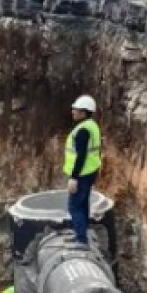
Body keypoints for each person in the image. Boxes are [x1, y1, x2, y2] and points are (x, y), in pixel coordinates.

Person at [64, 95, 102, 246]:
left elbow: (81, 156)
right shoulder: (92, 126)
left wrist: (74, 177)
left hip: (82, 174)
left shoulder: (83, 130)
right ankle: (82, 232)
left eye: (76, 109)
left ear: (84, 112)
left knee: (74, 206)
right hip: (90, 171)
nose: (73, 111)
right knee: (83, 203)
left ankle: (81, 240)